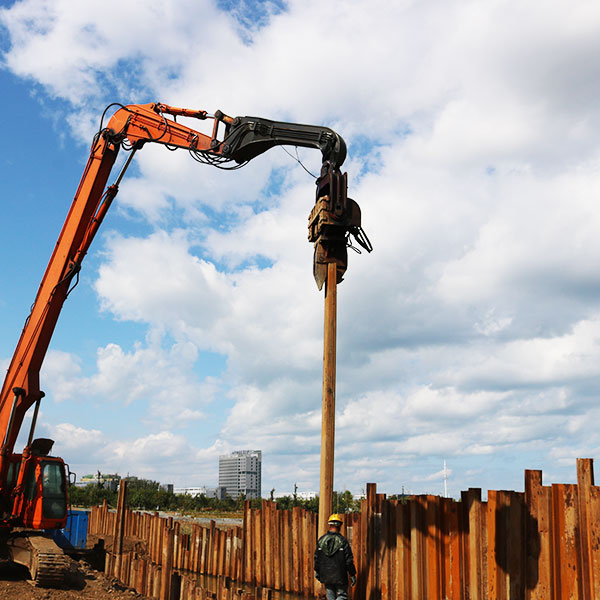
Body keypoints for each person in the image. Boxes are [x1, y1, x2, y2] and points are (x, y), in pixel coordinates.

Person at [314, 513, 357, 600]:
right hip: (340, 575)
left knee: (330, 598)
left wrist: (317, 571)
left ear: (329, 525)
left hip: (326, 575)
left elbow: (317, 558)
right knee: (342, 596)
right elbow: (348, 560)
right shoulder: (343, 541)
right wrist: (352, 574)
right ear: (340, 525)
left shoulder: (321, 540)